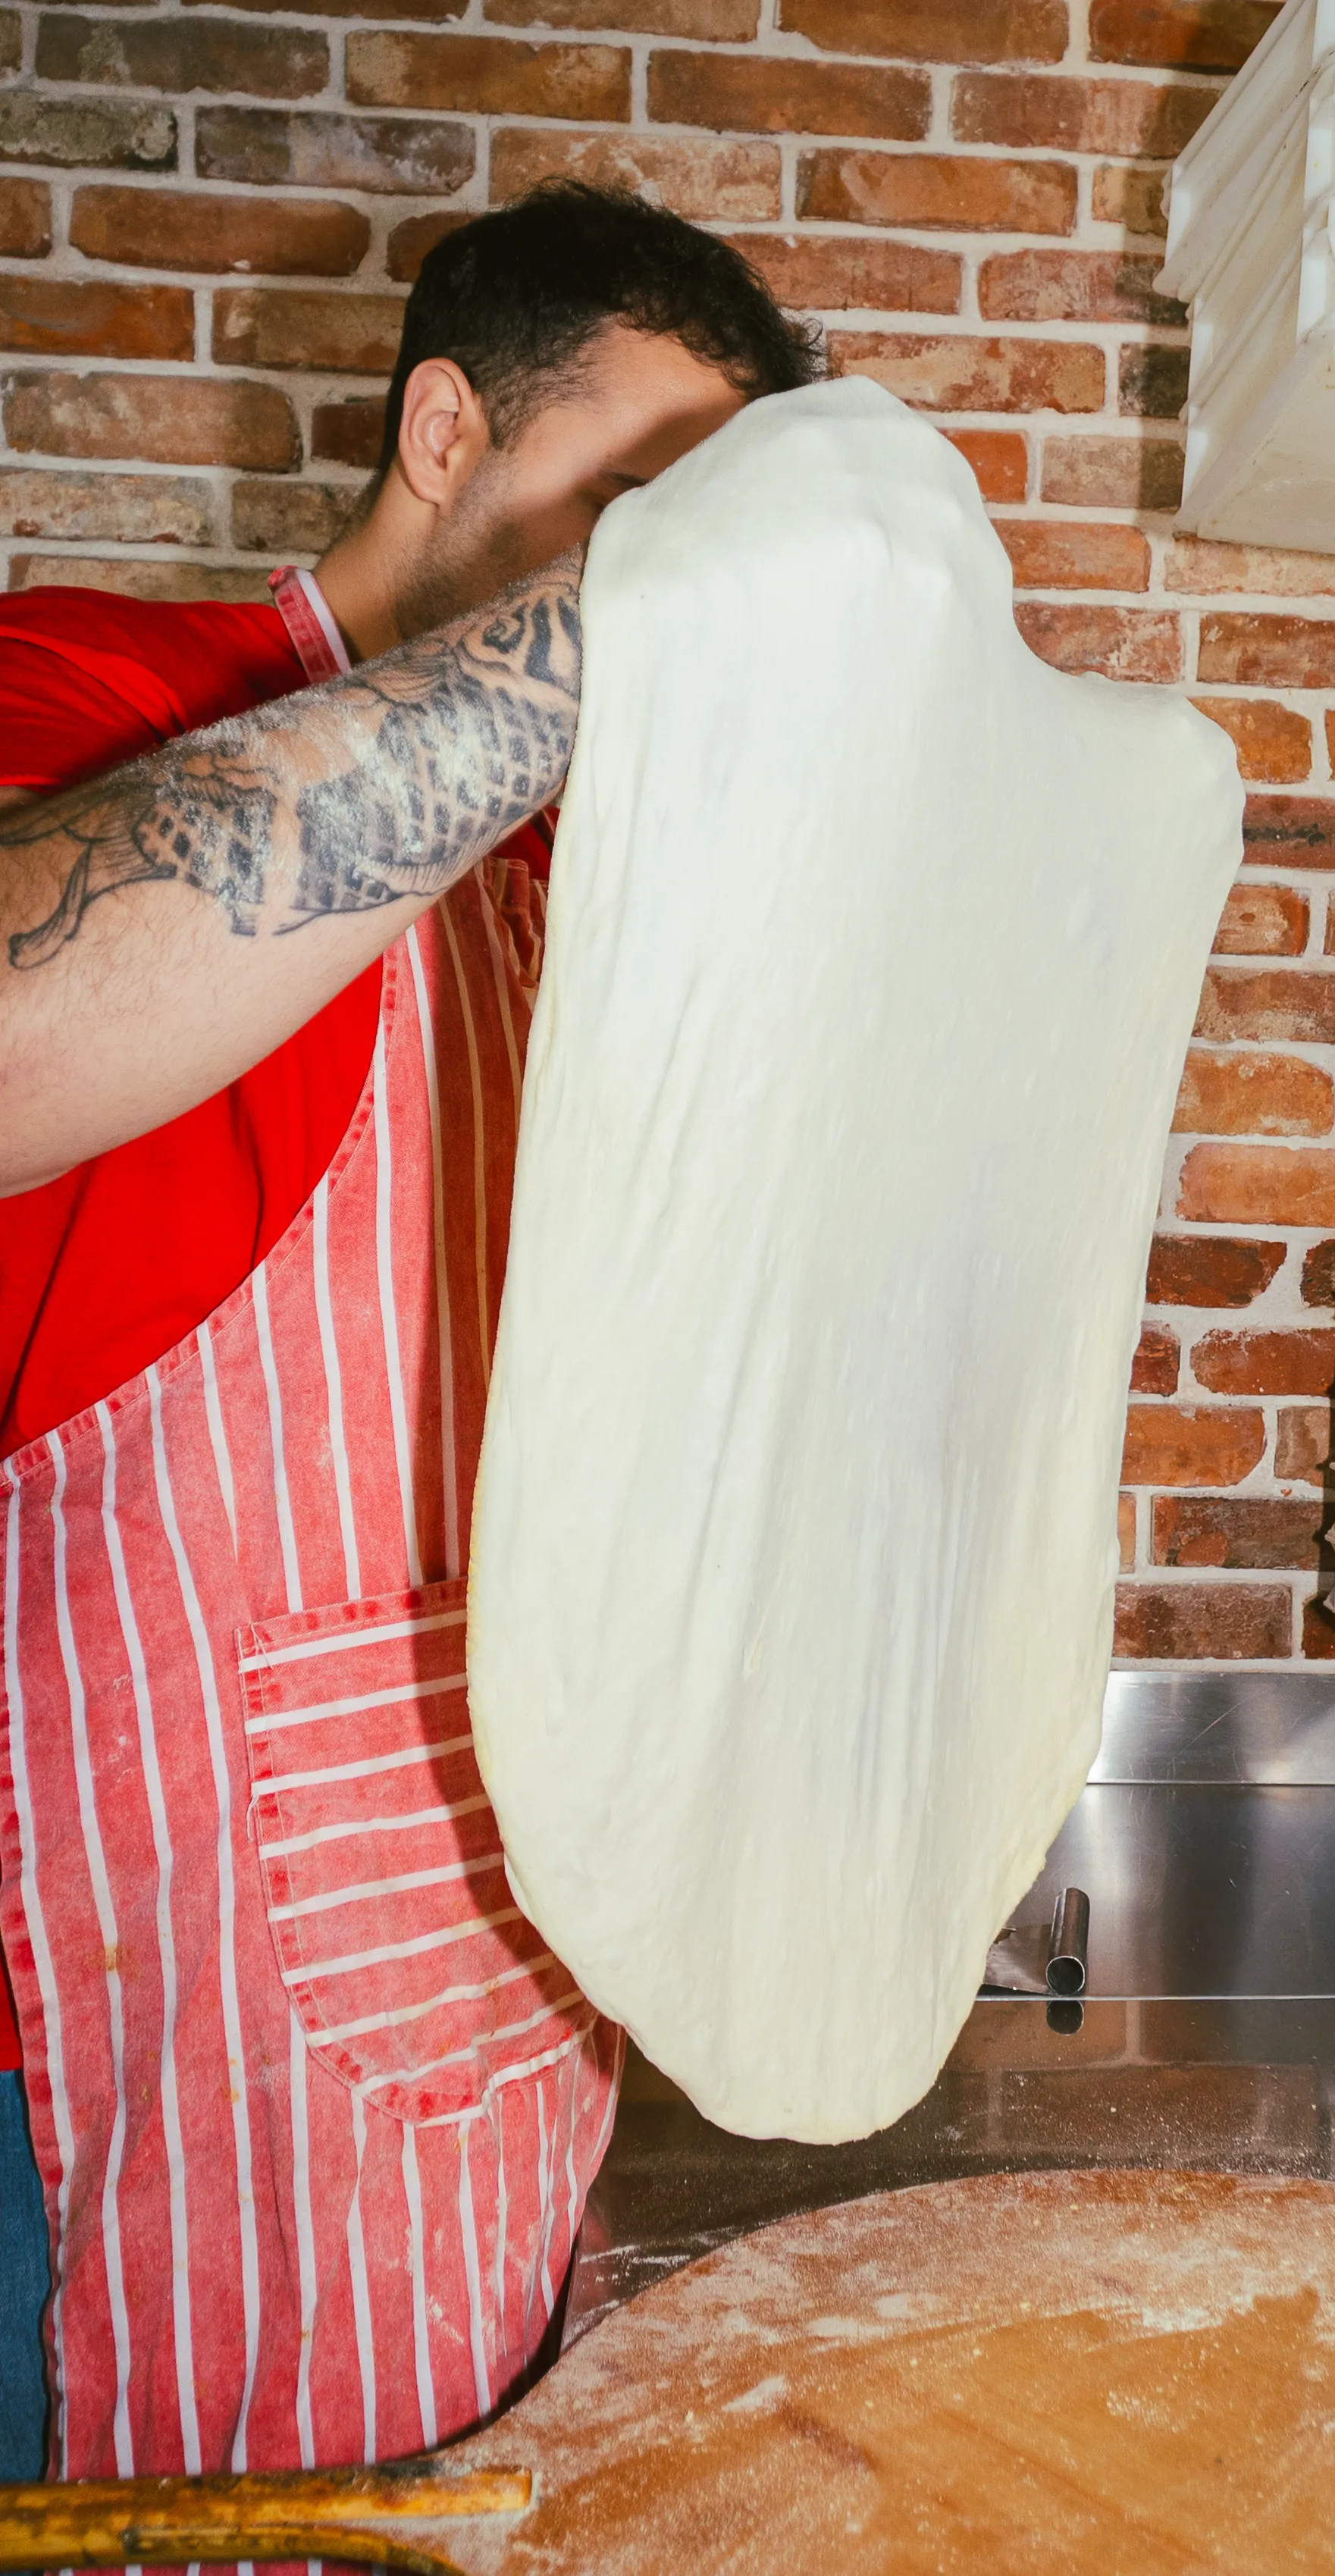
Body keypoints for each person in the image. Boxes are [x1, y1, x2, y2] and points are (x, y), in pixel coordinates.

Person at [0, 180, 823, 2480]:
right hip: (77, 2042)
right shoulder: (86, 690)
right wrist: (624, 636)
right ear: (443, 429)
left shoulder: (580, 897)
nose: (683, 584)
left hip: (463, 1976)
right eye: (643, 505)